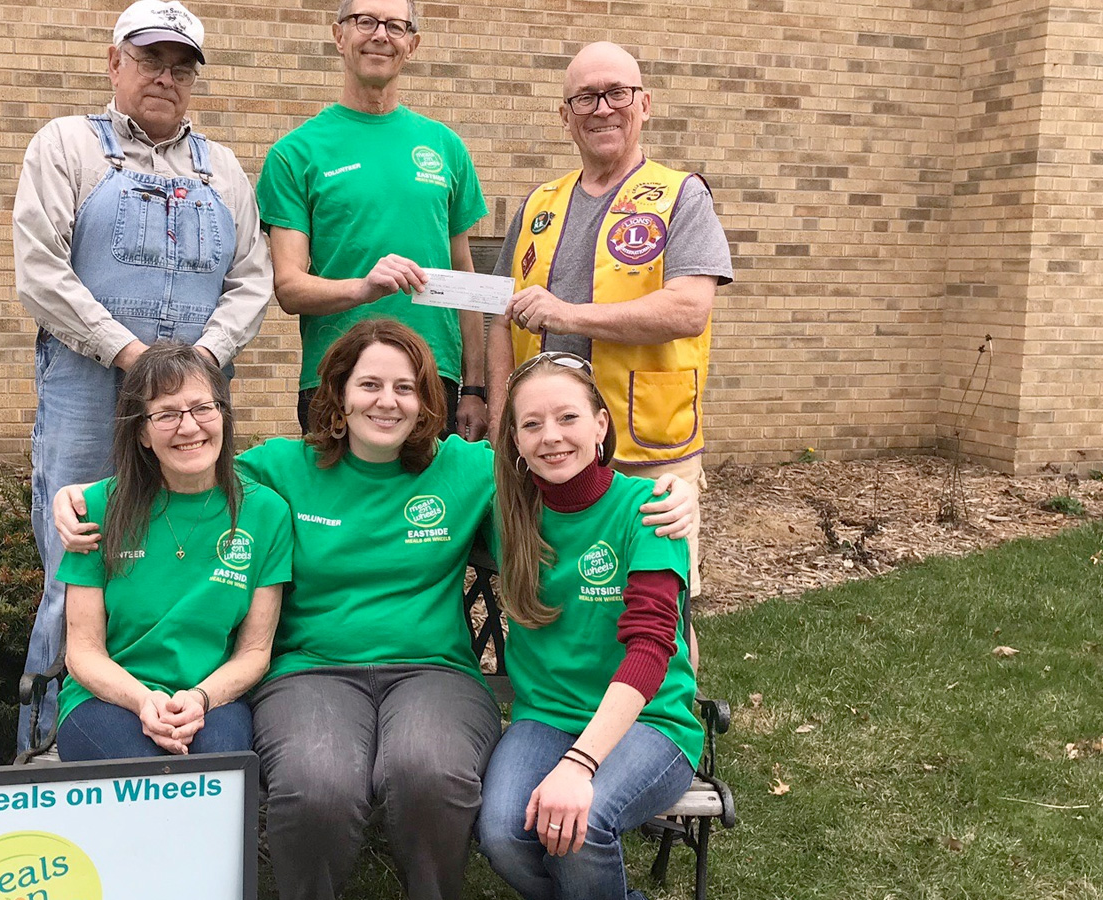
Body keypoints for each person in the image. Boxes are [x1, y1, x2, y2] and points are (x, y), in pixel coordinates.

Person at [55, 321, 697, 900]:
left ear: (425, 402)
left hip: (433, 670)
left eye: (405, 387)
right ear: (338, 394)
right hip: (311, 672)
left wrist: (677, 490)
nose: (386, 401)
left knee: (430, 771)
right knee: (316, 784)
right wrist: (77, 494)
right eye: (369, 384)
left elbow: (566, 470)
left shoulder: (469, 469)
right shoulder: (282, 467)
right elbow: (190, 467)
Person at [12, 0, 273, 753]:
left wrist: (201, 364)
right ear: (114, 62)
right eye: (151, 60)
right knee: (79, 557)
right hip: (90, 394)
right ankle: (47, 746)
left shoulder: (220, 167)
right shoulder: (66, 146)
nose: (166, 77)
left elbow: (251, 280)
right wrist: (132, 357)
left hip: (196, 398)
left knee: (194, 553)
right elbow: (39, 271)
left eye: (181, 66)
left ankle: (191, 717)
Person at [485, 41, 733, 589]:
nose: (602, 108)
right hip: (552, 448)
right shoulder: (538, 205)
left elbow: (690, 309)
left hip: (645, 451)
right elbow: (500, 318)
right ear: (565, 117)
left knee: (658, 600)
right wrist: (504, 421)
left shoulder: (680, 196)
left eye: (616, 93)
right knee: (558, 592)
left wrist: (569, 315)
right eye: (585, 98)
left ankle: (662, 679)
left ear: (644, 103)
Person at [476, 351, 703, 900]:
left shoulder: (647, 508)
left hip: (650, 723)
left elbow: (651, 647)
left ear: (601, 424)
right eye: (531, 424)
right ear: (514, 441)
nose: (550, 436)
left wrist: (580, 764)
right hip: (546, 716)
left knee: (580, 829)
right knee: (502, 833)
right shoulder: (505, 510)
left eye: (568, 417)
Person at [257, 0, 490, 440]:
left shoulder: (445, 146)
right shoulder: (295, 153)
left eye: (396, 26)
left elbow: (465, 275)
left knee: (432, 509)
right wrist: (365, 288)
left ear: (412, 44)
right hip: (337, 375)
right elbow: (289, 287)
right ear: (339, 35)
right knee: (338, 509)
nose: (380, 34)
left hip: (431, 375)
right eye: (365, 21)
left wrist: (475, 386)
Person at [53, 344, 290, 761]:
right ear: (142, 432)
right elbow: (83, 651)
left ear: (222, 414)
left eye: (203, 408)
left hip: (213, 698)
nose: (189, 427)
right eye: (166, 414)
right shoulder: (95, 508)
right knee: (144, 776)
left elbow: (254, 653)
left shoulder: (266, 512)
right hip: (108, 698)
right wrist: (144, 701)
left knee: (218, 774)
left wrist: (199, 698)